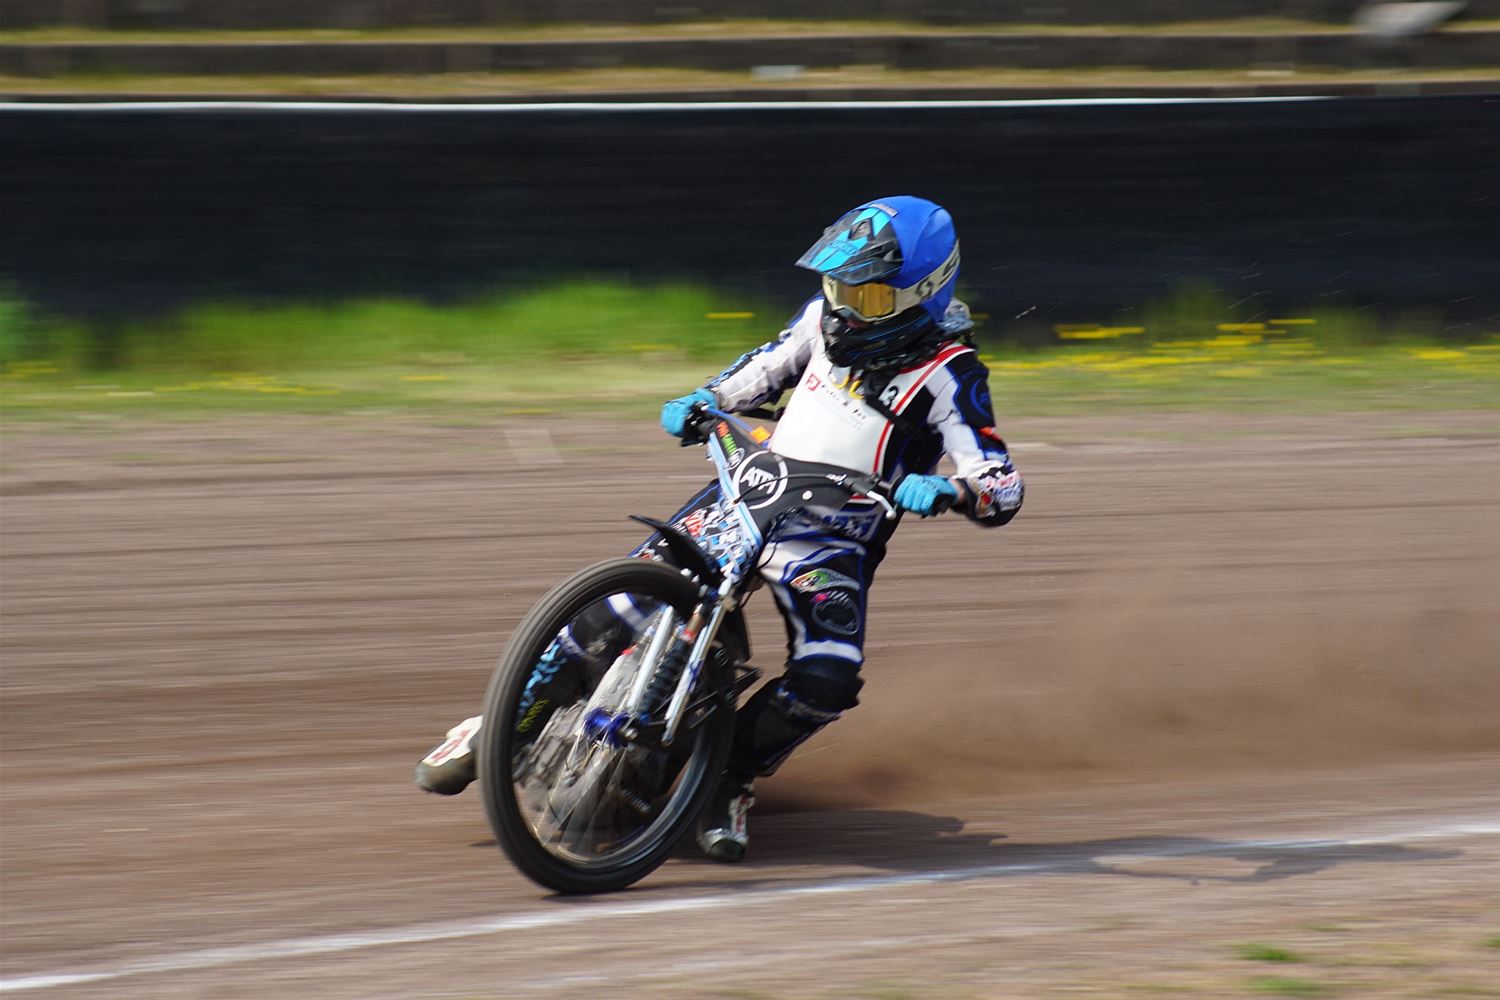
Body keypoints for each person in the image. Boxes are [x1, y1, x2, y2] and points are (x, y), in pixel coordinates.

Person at [415, 195, 1023, 862]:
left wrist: (951, 489)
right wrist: (708, 398)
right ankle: (503, 726)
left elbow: (1001, 482)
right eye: (838, 288)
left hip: (830, 538)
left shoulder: (952, 374)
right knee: (614, 607)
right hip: (752, 488)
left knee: (827, 679)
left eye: (869, 297)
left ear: (924, 294)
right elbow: (763, 368)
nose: (848, 309)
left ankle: (728, 778)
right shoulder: (821, 320)